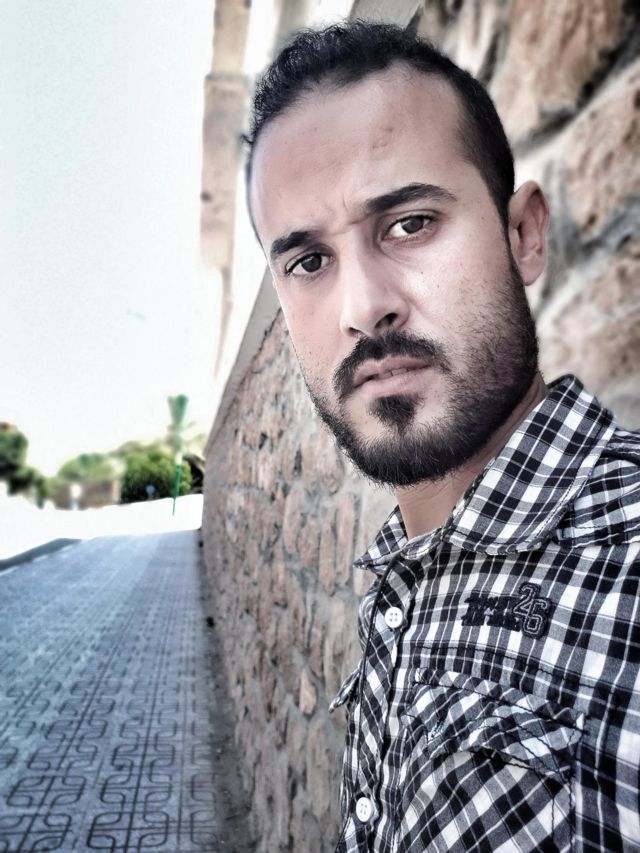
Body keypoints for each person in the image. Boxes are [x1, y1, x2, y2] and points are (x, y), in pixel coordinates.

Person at [244, 20, 640, 853]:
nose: (363, 308)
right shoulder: (402, 574)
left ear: (524, 233)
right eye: (308, 263)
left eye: (410, 223)